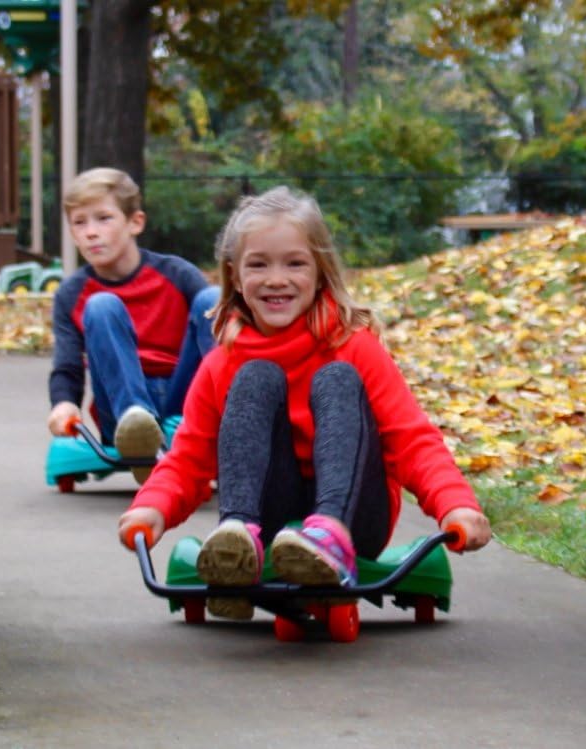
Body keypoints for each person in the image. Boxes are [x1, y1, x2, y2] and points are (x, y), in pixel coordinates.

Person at [117, 185, 491, 620]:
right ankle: (238, 533)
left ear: (320, 272)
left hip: (355, 515)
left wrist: (456, 504)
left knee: (336, 377)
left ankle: (327, 534)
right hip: (273, 517)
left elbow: (410, 438)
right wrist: (152, 506)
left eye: (294, 264)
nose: (277, 279)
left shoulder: (354, 346)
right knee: (253, 376)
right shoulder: (223, 363)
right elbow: (190, 455)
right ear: (234, 275)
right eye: (259, 265)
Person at [47, 167, 220, 483]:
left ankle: (230, 418)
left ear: (135, 222)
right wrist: (64, 404)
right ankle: (139, 430)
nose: (91, 232)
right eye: (79, 223)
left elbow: (216, 334)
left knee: (213, 299)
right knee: (101, 305)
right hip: (119, 407)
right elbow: (67, 366)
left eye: (103, 218)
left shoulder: (177, 274)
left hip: (184, 399)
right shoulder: (72, 294)